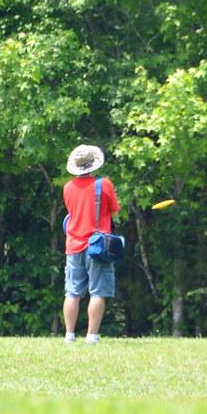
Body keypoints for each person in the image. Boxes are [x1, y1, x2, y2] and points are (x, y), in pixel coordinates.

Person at [62, 145, 120, 344]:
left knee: (72, 292)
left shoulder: (68, 187)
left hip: (73, 244)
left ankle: (69, 335)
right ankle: (92, 336)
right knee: (98, 292)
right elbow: (115, 211)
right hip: (98, 246)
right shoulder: (104, 184)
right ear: (94, 164)